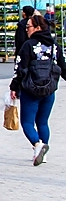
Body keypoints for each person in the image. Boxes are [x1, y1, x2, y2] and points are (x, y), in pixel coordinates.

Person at [10, 14, 66, 166]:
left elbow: (20, 68)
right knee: (43, 122)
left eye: (28, 27)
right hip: (49, 89)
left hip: (31, 90)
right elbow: (63, 67)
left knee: (27, 122)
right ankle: (44, 151)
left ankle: (37, 145)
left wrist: (14, 87)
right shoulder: (54, 46)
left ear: (38, 28)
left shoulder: (28, 45)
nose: (26, 30)